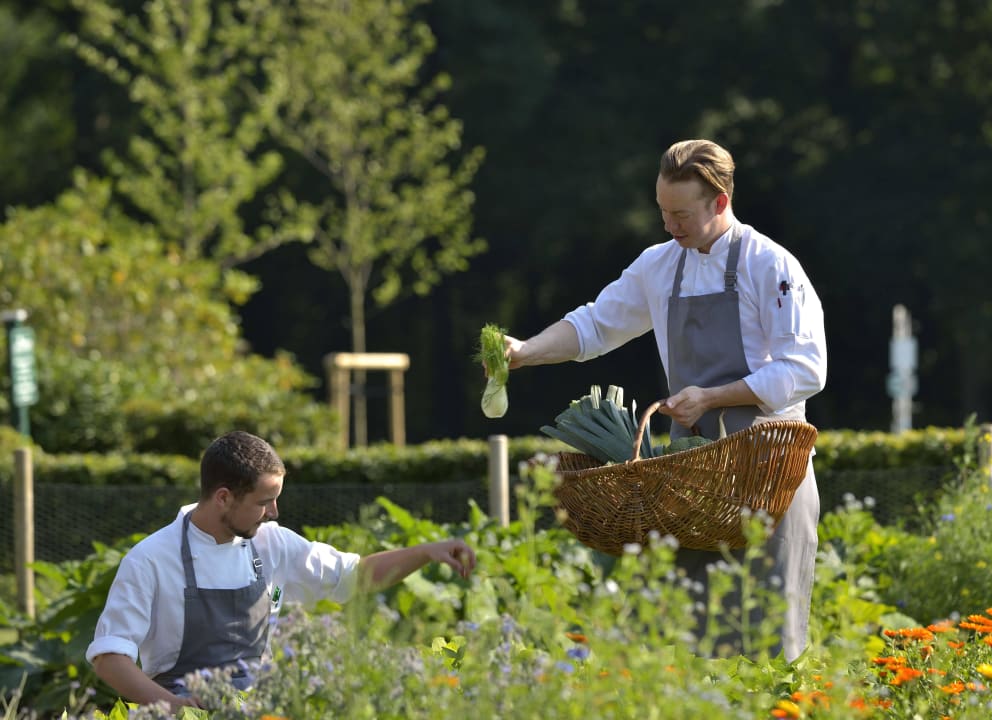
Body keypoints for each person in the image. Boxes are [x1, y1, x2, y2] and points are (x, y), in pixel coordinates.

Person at [504, 139, 826, 662]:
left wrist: (713, 396)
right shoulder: (659, 265)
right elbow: (594, 324)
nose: (669, 225)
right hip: (693, 483)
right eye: (662, 212)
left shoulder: (771, 265)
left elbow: (805, 369)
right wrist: (524, 352)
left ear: (720, 202)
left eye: (681, 214)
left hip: (770, 477)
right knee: (691, 649)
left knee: (770, 651)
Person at [86, 430, 476, 710]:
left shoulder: (272, 543)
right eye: (264, 501)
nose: (274, 512)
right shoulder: (151, 559)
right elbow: (110, 657)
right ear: (223, 497)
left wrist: (426, 551)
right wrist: (174, 707)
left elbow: (357, 576)